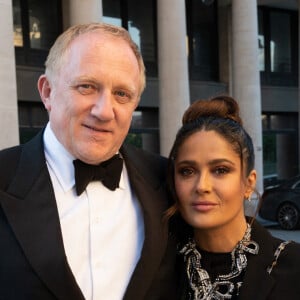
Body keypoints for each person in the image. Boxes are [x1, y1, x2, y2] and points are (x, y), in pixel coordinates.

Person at [0, 23, 178, 300]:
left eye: (122, 94)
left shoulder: (169, 180)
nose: (104, 111)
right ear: (47, 92)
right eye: (87, 86)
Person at [166, 95, 300, 300]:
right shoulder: (159, 269)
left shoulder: (293, 266)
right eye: (187, 171)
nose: (202, 186)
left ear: (248, 183)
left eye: (220, 170)